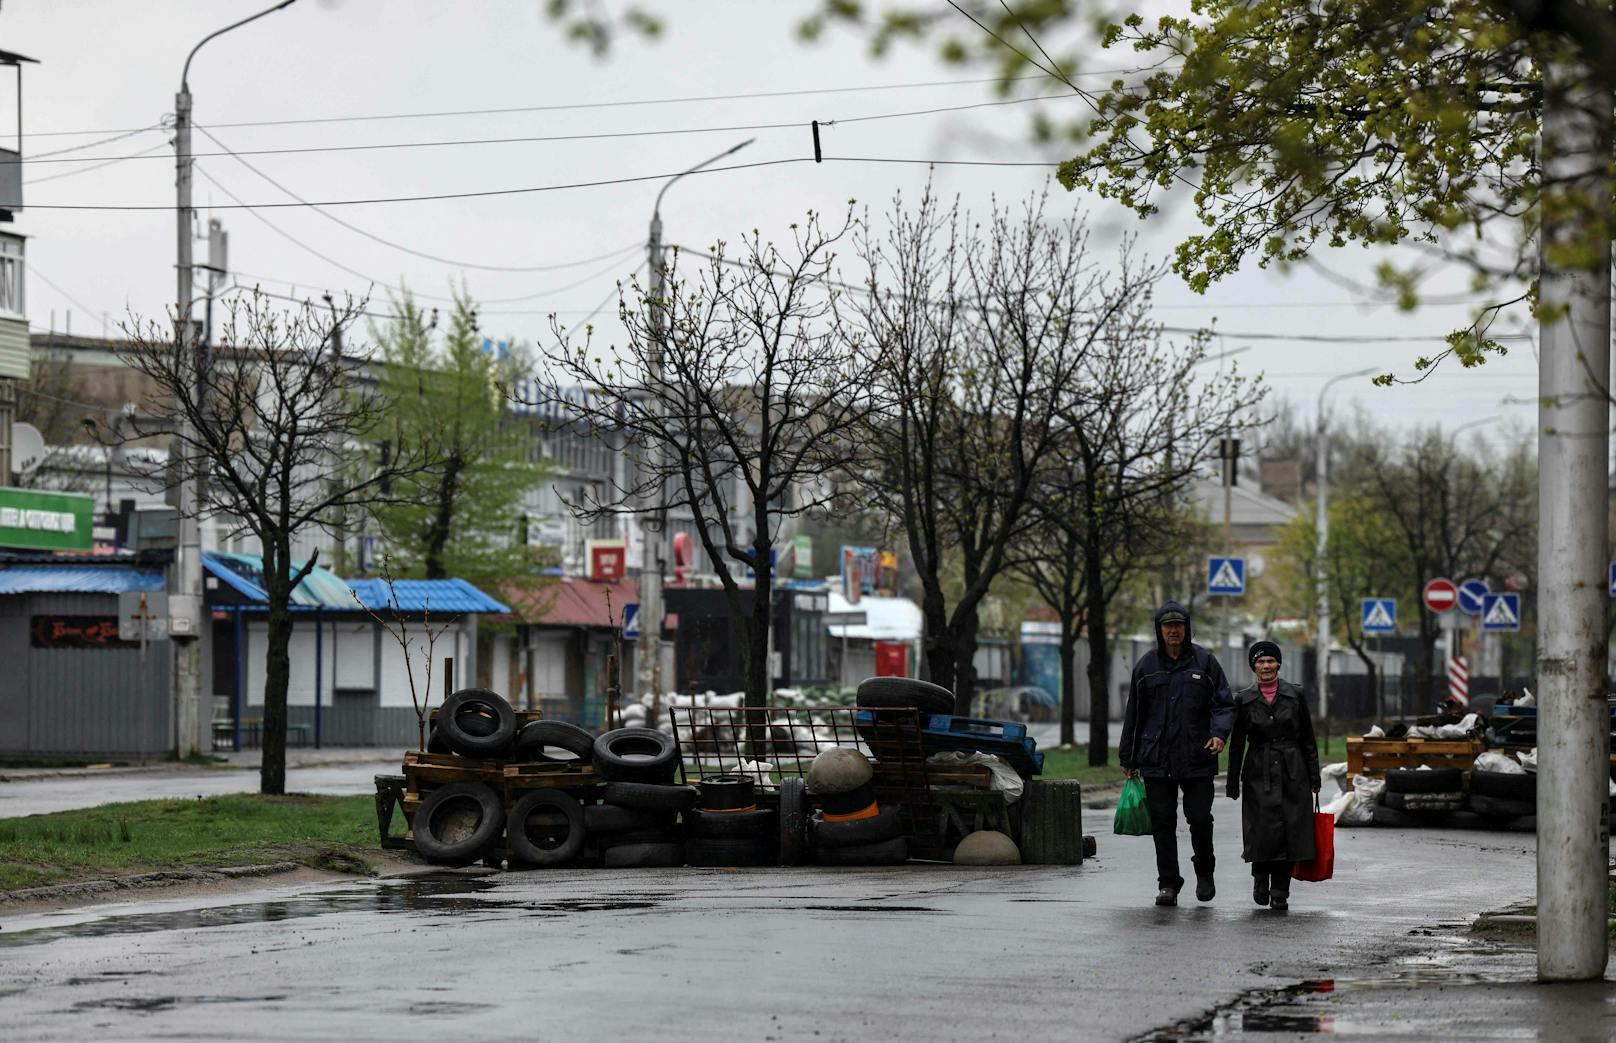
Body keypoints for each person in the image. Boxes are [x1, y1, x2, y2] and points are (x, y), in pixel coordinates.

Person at [1119, 600, 1234, 906]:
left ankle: (1205, 873)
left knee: (1199, 818)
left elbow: (1224, 704)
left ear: (1186, 629)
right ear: (1160, 630)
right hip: (1156, 757)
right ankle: (1168, 883)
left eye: (1178, 625)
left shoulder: (1205, 663)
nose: (1173, 631)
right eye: (1168, 626)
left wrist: (1219, 734)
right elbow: (1135, 713)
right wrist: (1128, 757)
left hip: (1198, 755)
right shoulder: (1146, 666)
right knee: (1163, 822)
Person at [1225, 641, 1322, 912]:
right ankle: (1260, 877)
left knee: (1291, 828)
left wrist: (1314, 777)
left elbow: (1308, 738)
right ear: (1253, 667)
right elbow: (1236, 744)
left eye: (1270, 661)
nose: (1266, 666)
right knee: (1262, 828)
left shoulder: (1295, 695)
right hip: (1259, 768)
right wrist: (1233, 781)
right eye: (1260, 662)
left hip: (1293, 768)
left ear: (1278, 664)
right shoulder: (1243, 699)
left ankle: (1280, 890)